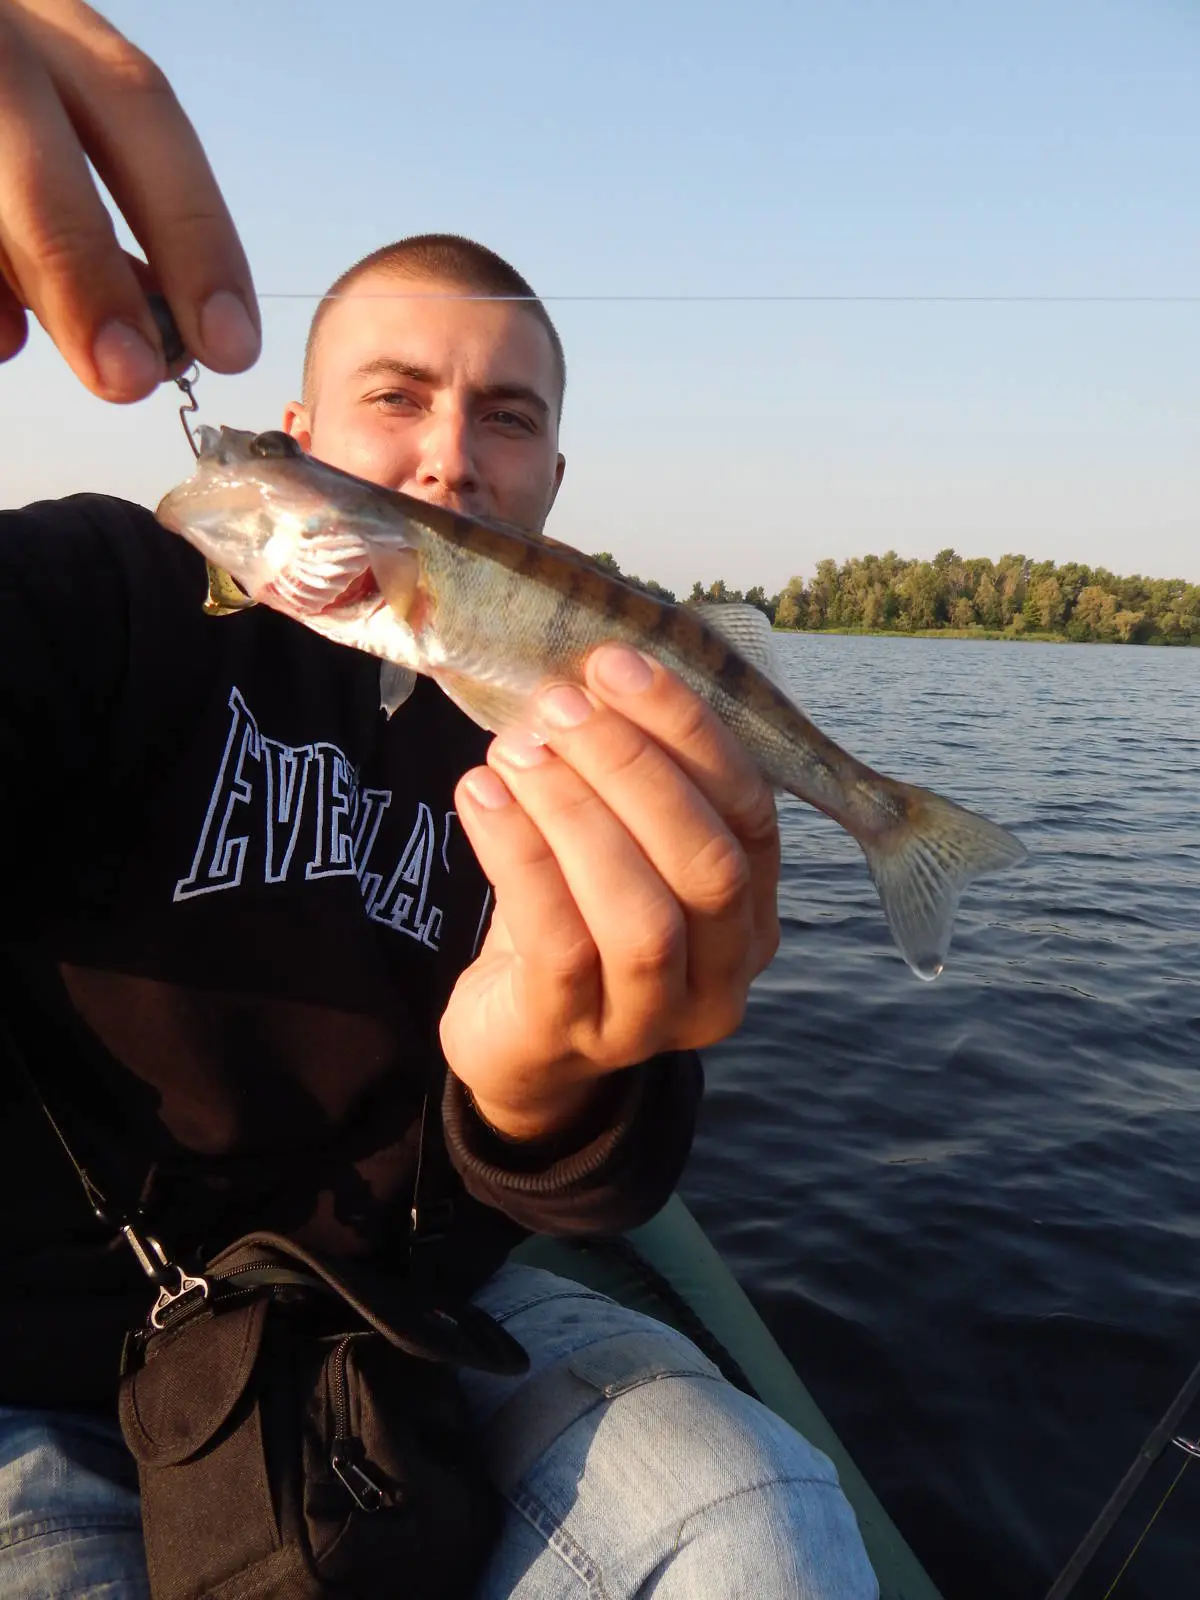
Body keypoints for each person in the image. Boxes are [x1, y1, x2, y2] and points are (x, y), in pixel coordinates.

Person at [0, 3, 878, 1595]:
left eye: (509, 418)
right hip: (40, 1351)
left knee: (758, 1517)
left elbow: (605, 1178)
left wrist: (548, 1089)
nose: (450, 458)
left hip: (421, 1318)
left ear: (554, 483)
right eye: (396, 397)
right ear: (301, 439)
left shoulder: (593, 725)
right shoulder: (101, 598)